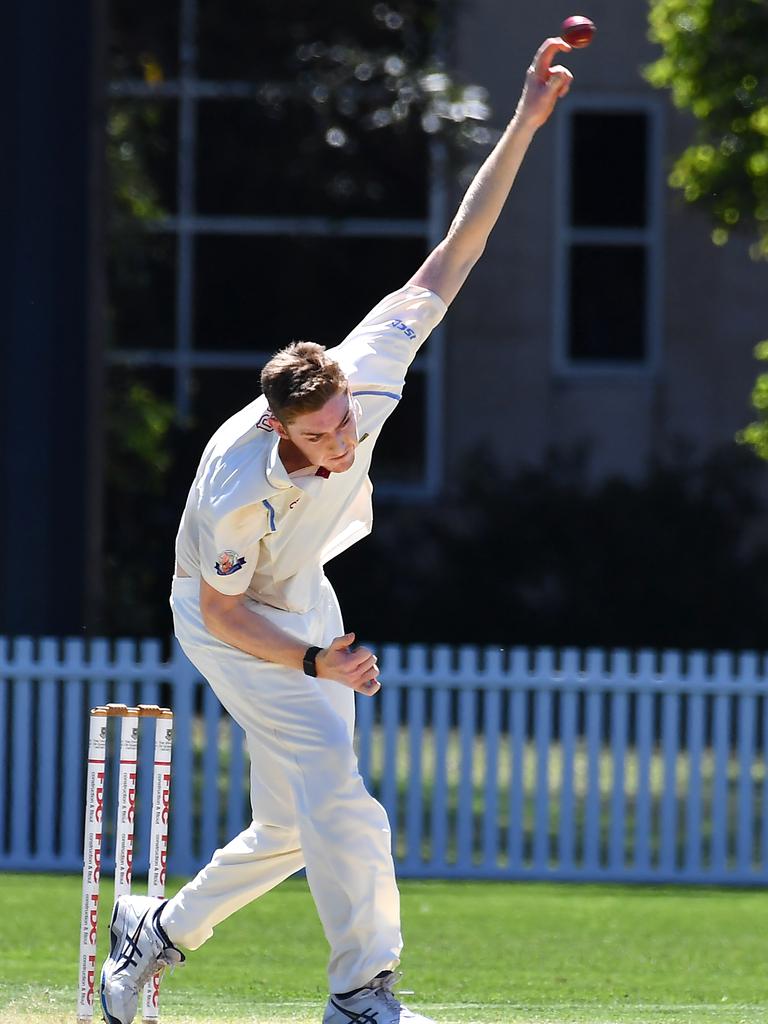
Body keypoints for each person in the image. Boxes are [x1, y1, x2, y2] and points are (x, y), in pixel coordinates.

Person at [100, 35, 574, 1024]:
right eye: (320, 436)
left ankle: (158, 932)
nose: (343, 440)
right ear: (279, 427)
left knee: (292, 822)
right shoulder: (236, 483)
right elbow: (228, 612)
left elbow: (457, 251)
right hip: (225, 613)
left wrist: (524, 121)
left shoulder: (364, 371)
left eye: (345, 423)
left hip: (303, 596)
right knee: (339, 794)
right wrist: (316, 663)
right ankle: (362, 992)